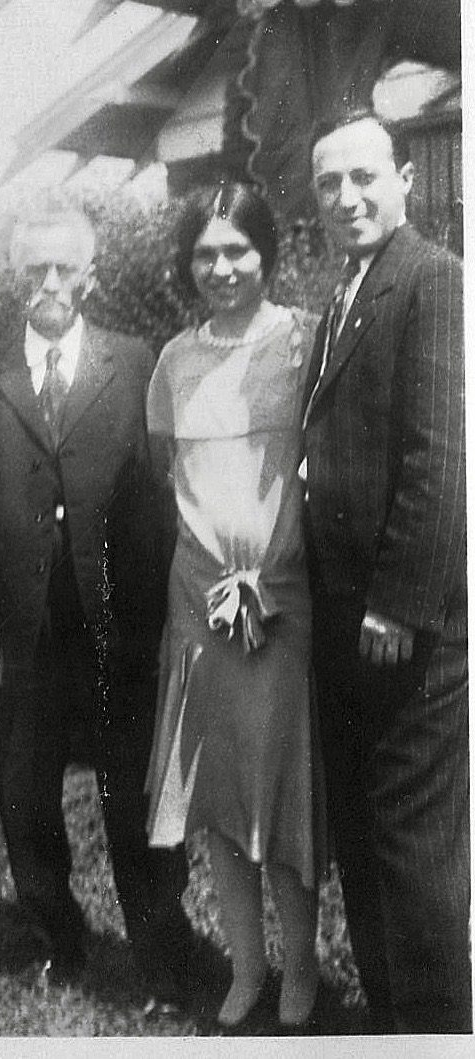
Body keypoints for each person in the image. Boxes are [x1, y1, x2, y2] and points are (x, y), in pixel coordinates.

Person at [0, 209, 194, 1006]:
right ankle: (58, 933)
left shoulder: (133, 361)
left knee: (132, 793)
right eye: (32, 271)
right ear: (18, 280)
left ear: (89, 275)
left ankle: (159, 942)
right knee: (24, 794)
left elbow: (157, 499)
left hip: (116, 624)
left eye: (62, 270)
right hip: (21, 632)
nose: (47, 284)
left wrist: (158, 622)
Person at [304, 108, 469, 1034]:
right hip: (344, 614)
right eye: (330, 184)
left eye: (365, 177)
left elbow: (441, 457)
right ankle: (392, 1018)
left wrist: (401, 603)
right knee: (365, 835)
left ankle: (444, 1027)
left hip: (406, 621)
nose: (348, 197)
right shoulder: (349, 292)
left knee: (413, 844)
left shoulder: (435, 281)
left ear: (404, 177)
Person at [145, 183, 323, 1033]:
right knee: (217, 784)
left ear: (265, 253)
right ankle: (248, 965)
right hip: (197, 597)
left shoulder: (302, 344)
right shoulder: (173, 360)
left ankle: (303, 965)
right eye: (204, 253)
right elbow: (166, 474)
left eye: (236, 250)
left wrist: (268, 564)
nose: (220, 267)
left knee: (276, 782)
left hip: (279, 595)